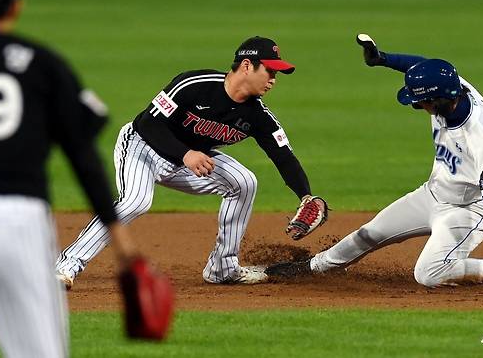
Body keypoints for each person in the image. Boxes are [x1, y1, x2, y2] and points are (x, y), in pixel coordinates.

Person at [0, 0, 141, 357]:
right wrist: (118, 235)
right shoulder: (41, 64)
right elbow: (81, 151)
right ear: (17, 5)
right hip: (17, 222)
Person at [266, 34, 483, 289]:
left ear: (438, 100)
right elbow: (421, 65)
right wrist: (382, 59)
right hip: (432, 195)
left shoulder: (479, 136)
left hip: (469, 211)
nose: (417, 106)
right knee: (369, 233)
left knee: (428, 274)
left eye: (420, 101)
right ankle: (313, 267)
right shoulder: (451, 85)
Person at [55, 36, 327, 287]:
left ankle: (223, 268)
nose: (273, 80)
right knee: (136, 201)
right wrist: (186, 153)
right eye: (270, 71)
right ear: (247, 65)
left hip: (189, 162)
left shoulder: (258, 116)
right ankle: (66, 266)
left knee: (244, 182)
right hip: (142, 148)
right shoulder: (195, 85)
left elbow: (283, 156)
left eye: (276, 74)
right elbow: (147, 123)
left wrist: (305, 195)